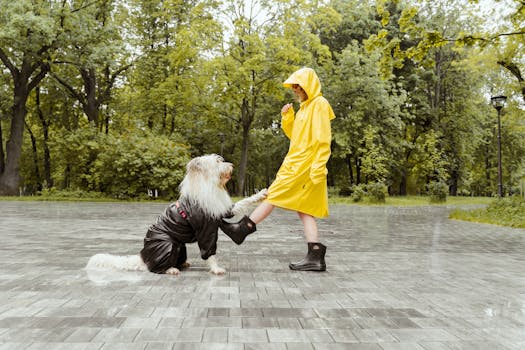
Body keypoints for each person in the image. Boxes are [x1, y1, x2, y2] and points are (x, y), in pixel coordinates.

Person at [227, 67, 335, 271]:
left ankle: (242, 229)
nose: (295, 91)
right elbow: (296, 136)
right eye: (294, 88)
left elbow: (322, 139)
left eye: (298, 87)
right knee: (305, 210)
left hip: (305, 165)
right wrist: (287, 118)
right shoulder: (304, 108)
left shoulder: (319, 104)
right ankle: (315, 256)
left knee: (274, 193)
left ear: (307, 86)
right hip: (297, 161)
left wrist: (318, 167)